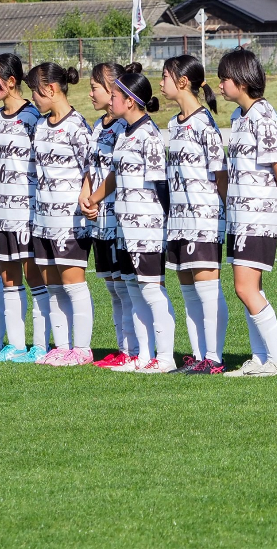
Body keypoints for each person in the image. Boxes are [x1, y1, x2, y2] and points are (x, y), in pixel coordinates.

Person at [84, 67, 176, 373]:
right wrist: (94, 198)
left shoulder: (150, 135)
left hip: (146, 230)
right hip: (124, 228)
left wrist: (165, 226)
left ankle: (164, 358)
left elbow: (162, 187)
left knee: (151, 290)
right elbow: (115, 176)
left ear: (131, 101)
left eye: (115, 95)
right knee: (134, 290)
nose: (111, 100)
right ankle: (142, 355)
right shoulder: (124, 133)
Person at [217, 48, 277, 377]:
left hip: (258, 215)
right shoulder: (238, 118)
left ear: (242, 82)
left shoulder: (262, 115)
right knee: (251, 289)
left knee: (244, 288)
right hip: (240, 215)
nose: (220, 85)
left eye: (225, 79)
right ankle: (260, 359)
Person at [159, 55, 227, 375]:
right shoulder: (174, 123)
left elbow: (220, 172)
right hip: (179, 220)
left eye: (165, 78)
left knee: (207, 288)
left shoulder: (204, 124)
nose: (161, 84)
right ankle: (199, 355)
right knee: (188, 289)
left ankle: (214, 357)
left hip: (204, 218)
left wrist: (230, 215)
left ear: (182, 82)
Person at [27, 63, 96, 367]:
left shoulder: (78, 126)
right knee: (52, 284)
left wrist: (86, 198)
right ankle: (61, 346)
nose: (33, 97)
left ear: (51, 89)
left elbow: (92, 169)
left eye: (36, 91)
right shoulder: (41, 125)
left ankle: (82, 349)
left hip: (70, 222)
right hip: (43, 220)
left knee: (73, 284)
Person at [0, 53, 41, 363]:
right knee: (9, 280)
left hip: (27, 214)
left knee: (35, 278)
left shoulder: (32, 118)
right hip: (0, 214)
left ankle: (41, 346)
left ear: (12, 81)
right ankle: (16, 345)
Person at [81, 63, 134, 368]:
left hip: (118, 219)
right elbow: (91, 168)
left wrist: (96, 196)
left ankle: (133, 349)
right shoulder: (99, 126)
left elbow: (116, 172)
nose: (91, 93)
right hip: (99, 221)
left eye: (95, 87)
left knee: (125, 286)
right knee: (113, 287)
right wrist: (85, 196)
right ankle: (122, 347)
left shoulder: (124, 127)